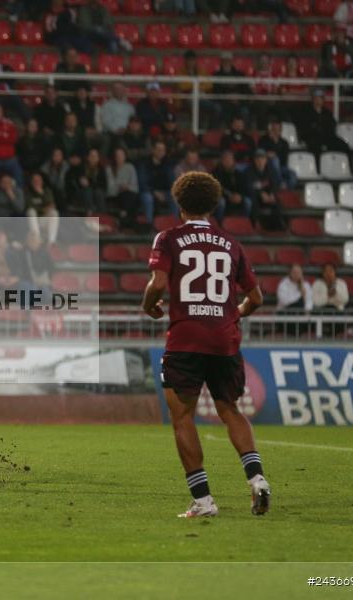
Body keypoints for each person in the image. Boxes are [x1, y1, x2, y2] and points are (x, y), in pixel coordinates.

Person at [142, 170, 269, 518]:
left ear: (179, 204)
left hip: (185, 340)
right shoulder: (232, 244)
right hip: (224, 340)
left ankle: (203, 500)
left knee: (183, 418)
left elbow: (157, 281)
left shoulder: (167, 238)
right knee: (230, 410)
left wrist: (148, 303)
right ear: (214, 205)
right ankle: (257, 480)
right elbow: (255, 297)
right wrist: (235, 314)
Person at [138, 141, 177, 229]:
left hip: (165, 192)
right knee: (147, 197)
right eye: (158, 150)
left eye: (163, 150)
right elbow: (142, 183)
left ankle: (175, 224)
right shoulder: (145, 163)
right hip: (149, 191)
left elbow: (172, 182)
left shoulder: (168, 164)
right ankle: (149, 225)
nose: (161, 152)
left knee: (175, 196)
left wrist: (168, 192)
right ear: (153, 150)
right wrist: (154, 192)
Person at [246, 149, 285, 231]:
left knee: (276, 201)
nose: (260, 161)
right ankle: (255, 223)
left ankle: (278, 224)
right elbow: (248, 187)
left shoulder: (271, 170)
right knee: (252, 199)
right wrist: (260, 194)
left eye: (262, 158)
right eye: (258, 158)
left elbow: (275, 184)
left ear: (266, 160)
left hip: (267, 195)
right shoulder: (249, 171)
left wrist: (271, 194)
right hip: (255, 196)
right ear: (254, 160)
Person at [65, 147, 107, 215]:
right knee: (87, 190)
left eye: (95, 156)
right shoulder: (81, 167)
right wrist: (80, 181)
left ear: (98, 158)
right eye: (91, 156)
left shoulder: (101, 170)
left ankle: (101, 216)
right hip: (82, 192)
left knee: (98, 193)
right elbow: (76, 181)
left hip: (96, 192)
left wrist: (89, 183)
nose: (93, 158)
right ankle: (90, 213)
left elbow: (102, 185)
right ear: (88, 157)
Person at [258, 119, 297, 189]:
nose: (276, 131)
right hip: (267, 167)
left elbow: (284, 158)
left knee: (292, 174)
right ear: (270, 129)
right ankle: (281, 184)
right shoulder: (263, 140)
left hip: (282, 167)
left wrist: (275, 147)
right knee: (274, 160)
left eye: (278, 129)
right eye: (274, 129)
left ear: (281, 130)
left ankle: (286, 190)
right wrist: (267, 153)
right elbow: (260, 153)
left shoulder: (284, 143)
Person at [212, 150, 251, 221]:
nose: (228, 161)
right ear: (221, 161)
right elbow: (216, 188)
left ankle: (245, 222)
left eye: (230, 159)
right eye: (225, 159)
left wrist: (240, 196)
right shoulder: (216, 173)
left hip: (237, 198)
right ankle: (218, 223)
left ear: (233, 161)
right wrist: (229, 196)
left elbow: (245, 188)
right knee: (221, 202)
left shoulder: (239, 174)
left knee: (248, 201)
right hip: (223, 197)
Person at [106, 146, 139, 229]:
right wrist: (121, 187)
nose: (119, 157)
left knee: (129, 195)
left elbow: (135, 187)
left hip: (130, 195)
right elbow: (110, 190)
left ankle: (124, 215)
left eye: (121, 155)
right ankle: (129, 221)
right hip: (115, 195)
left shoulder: (130, 167)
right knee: (127, 196)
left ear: (125, 156)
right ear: (114, 157)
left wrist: (127, 187)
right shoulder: (109, 169)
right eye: (117, 155)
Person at [25, 172, 60, 243]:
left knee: (54, 213)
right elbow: (28, 206)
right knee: (31, 211)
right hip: (33, 219)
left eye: (39, 180)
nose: (37, 182)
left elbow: (51, 205)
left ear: (42, 182)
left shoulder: (47, 191)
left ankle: (51, 241)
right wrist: (43, 209)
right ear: (31, 182)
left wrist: (41, 194)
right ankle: (36, 239)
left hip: (43, 219)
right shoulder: (27, 191)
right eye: (35, 180)